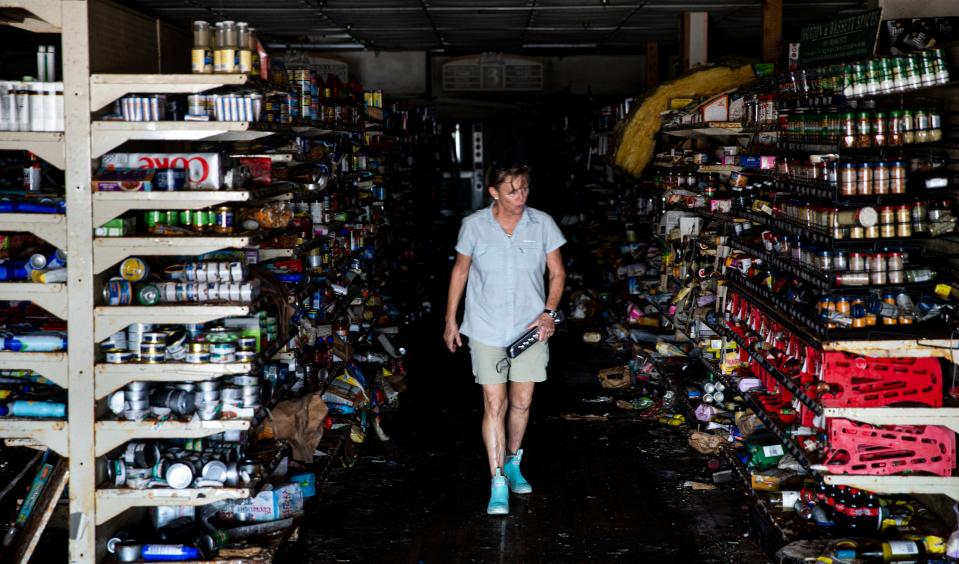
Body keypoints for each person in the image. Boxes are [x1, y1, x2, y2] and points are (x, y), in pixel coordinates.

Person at [444, 162, 566, 515]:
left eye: (525, 188)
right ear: (494, 192)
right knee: (494, 404)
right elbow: (461, 271)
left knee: (523, 401)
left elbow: (556, 272)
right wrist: (451, 320)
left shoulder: (542, 223)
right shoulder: (474, 226)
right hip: (485, 327)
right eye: (512, 190)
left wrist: (549, 312)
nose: (521, 196)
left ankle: (513, 462)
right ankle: (497, 478)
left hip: (531, 328)